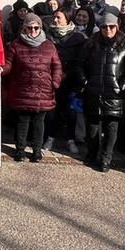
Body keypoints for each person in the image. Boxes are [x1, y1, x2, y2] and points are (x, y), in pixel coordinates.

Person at [77, 14, 125, 172]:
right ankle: (91, 154)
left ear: (116, 27)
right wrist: (85, 83)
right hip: (94, 93)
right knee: (93, 127)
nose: (108, 29)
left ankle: (106, 158)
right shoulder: (91, 44)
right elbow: (79, 65)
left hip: (114, 95)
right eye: (105, 27)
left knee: (111, 127)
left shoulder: (124, 45)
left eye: (111, 26)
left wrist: (122, 86)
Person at [3, 13, 62, 163]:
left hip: (43, 90)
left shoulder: (49, 45)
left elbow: (57, 65)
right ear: (24, 28)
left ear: (40, 28)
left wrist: (55, 82)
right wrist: (0, 69)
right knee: (22, 122)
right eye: (30, 28)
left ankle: (37, 151)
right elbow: (9, 64)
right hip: (22, 90)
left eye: (36, 28)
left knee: (39, 123)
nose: (33, 31)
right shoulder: (16, 44)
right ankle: (20, 150)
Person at [45, 9, 87, 153]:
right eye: (54, 17)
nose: (55, 20)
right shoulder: (48, 36)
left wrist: (68, 74)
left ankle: (70, 140)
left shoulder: (79, 38)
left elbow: (82, 61)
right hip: (52, 80)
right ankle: (50, 138)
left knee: (71, 112)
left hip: (72, 81)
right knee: (52, 112)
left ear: (67, 20)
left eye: (58, 18)